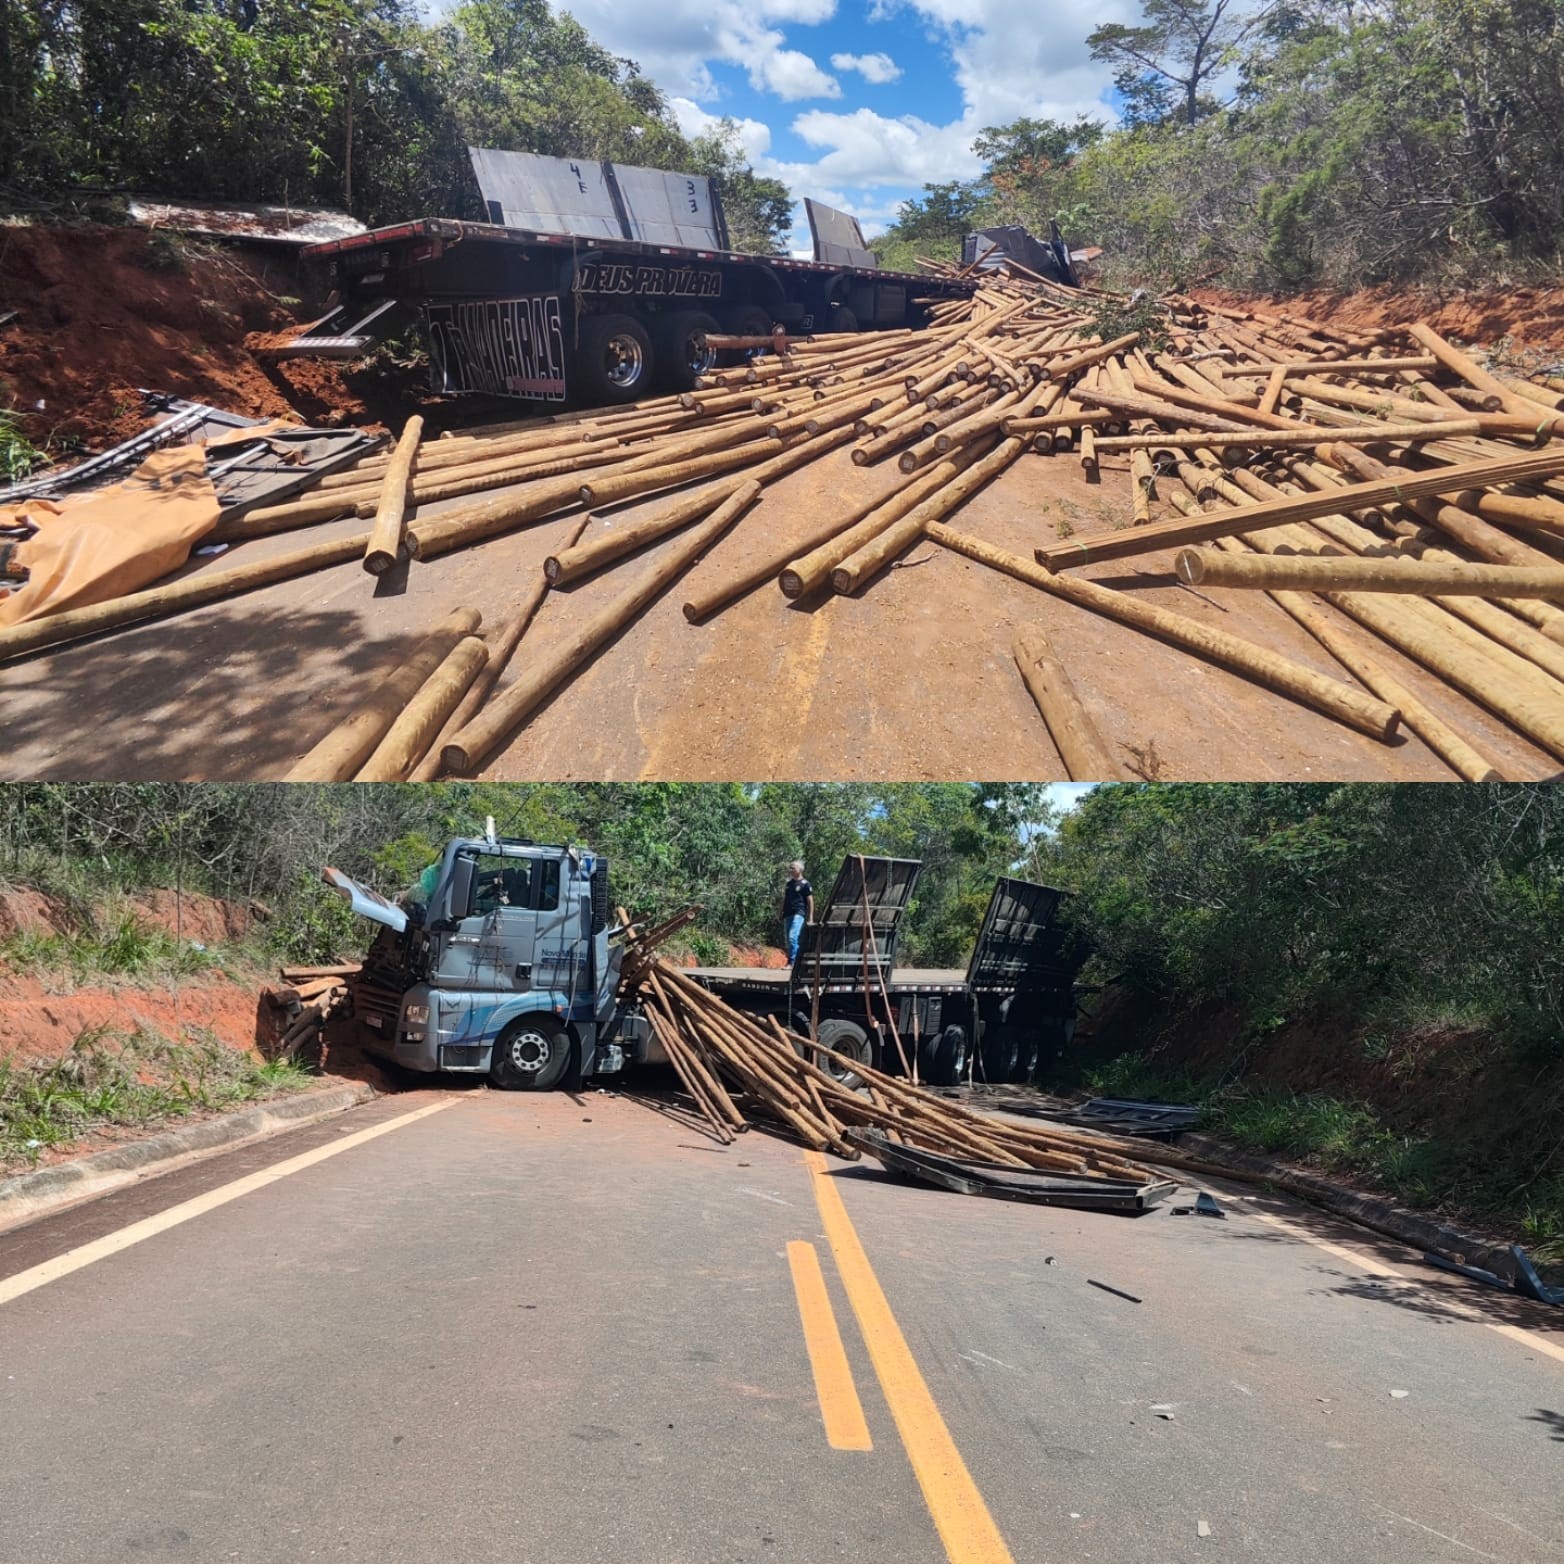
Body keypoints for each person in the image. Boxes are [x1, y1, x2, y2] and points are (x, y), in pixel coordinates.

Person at [780, 861, 814, 963]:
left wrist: (810, 918)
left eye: (793, 868)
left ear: (800, 869)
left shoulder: (805, 884)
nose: (790, 870)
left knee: (792, 937)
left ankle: (793, 962)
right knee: (788, 940)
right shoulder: (789, 884)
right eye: (790, 868)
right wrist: (780, 911)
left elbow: (810, 901)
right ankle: (794, 961)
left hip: (798, 913)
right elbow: (784, 899)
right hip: (788, 913)